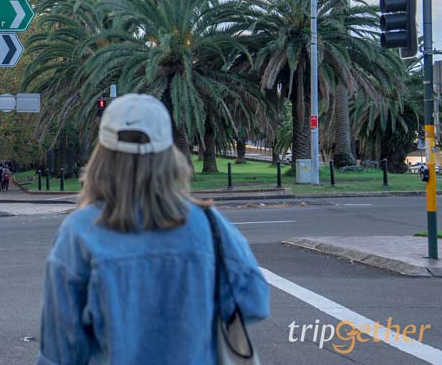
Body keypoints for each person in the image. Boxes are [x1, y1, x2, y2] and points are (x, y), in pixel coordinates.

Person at [37, 94, 269, 364]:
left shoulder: (78, 233)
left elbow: (59, 351)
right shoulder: (208, 223)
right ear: (168, 155)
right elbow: (253, 303)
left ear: (101, 157)